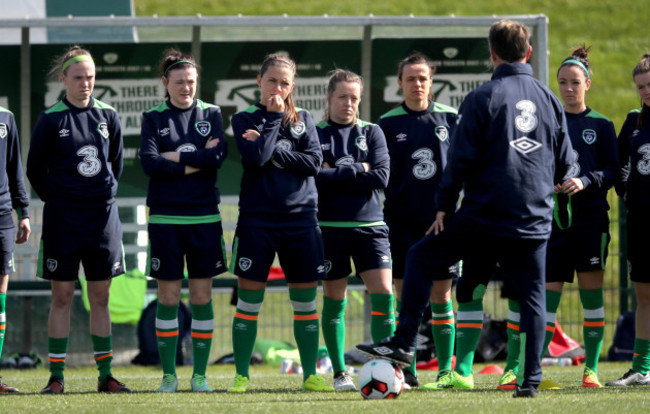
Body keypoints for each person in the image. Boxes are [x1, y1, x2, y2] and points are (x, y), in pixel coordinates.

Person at [357, 19, 574, 398]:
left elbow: (459, 161)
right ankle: (530, 382)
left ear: (492, 55)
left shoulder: (482, 98)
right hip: (533, 219)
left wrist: (443, 207)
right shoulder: (549, 99)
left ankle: (404, 341)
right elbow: (566, 161)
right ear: (527, 53)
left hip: (485, 216)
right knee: (532, 296)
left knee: (422, 256)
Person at [440, 46, 619, 391]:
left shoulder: (602, 125)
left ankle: (591, 370)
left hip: (589, 223)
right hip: (545, 222)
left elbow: (612, 170)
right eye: (563, 82)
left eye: (575, 83)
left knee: (591, 298)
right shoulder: (547, 115)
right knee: (536, 300)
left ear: (588, 84)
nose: (568, 88)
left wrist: (584, 180)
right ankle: (516, 368)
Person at [26, 46, 129, 394]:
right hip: (62, 220)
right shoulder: (51, 119)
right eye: (79, 77)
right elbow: (34, 169)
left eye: (91, 77)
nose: (86, 83)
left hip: (102, 220)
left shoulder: (109, 115)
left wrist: (101, 196)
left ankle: (106, 376)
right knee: (62, 296)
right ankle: (56, 377)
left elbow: (116, 163)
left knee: (100, 297)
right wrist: (59, 199)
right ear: (64, 79)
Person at [227, 54, 332, 393]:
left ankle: (309, 375)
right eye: (272, 80)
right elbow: (254, 158)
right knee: (249, 303)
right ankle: (241, 375)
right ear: (259, 81)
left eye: (285, 83)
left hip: (301, 222)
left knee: (304, 303)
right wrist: (272, 120)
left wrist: (273, 148)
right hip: (257, 223)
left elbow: (314, 163)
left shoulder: (304, 119)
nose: (278, 87)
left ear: (293, 87)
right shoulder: (243, 118)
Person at [139, 50, 228, 393]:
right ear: (166, 83)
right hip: (165, 217)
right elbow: (149, 163)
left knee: (203, 296)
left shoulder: (212, 113)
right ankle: (169, 376)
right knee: (169, 296)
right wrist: (196, 159)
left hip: (204, 215)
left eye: (191, 81)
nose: (186, 88)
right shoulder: (153, 117)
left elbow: (217, 157)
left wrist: (174, 156)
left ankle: (200, 376)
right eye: (179, 82)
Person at [377, 53, 459, 388]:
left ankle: (445, 371)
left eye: (423, 77)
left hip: (442, 223)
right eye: (410, 78)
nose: (417, 84)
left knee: (441, 298)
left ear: (432, 80)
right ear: (399, 83)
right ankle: (405, 370)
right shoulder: (387, 122)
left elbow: (462, 168)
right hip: (400, 223)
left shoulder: (450, 118)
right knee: (402, 298)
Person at [315, 69, 392, 391]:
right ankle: (339, 372)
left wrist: (338, 170)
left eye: (354, 99)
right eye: (343, 97)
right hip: (329, 227)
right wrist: (359, 168)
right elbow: (313, 176)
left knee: (384, 294)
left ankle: (386, 367)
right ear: (330, 98)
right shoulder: (314, 132)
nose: (349, 104)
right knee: (335, 297)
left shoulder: (372, 132)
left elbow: (382, 177)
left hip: (370, 226)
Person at [607, 53, 650, 387]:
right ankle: (642, 368)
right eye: (640, 87)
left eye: (649, 85)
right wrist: (624, 189)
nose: (645, 91)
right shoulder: (634, 121)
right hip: (641, 222)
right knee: (644, 296)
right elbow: (619, 163)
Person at [0, 107, 31, 393]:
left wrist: (24, 211)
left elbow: (14, 167)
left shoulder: (6, 117)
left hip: (1, 219)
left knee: (0, 299)